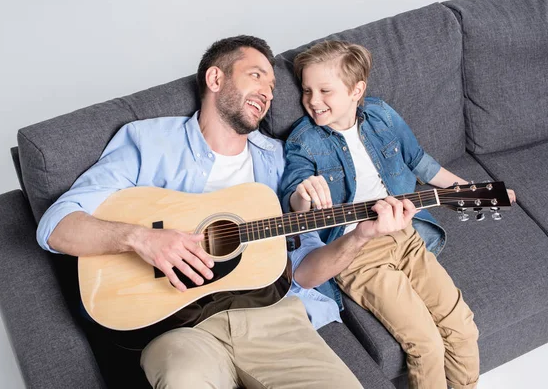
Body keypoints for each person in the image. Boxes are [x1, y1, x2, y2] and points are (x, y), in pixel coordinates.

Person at [36, 35, 386, 389]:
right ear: (215, 79)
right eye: (255, 75)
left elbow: (305, 273)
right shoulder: (149, 142)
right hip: (178, 329)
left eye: (272, 85)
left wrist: (360, 236)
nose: (267, 91)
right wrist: (141, 239)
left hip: (274, 318)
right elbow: (56, 226)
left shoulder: (284, 160)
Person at [280, 40, 515, 389]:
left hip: (406, 233)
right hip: (357, 254)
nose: (313, 101)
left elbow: (421, 163)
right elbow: (293, 199)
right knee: (426, 343)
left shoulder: (381, 115)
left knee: (463, 326)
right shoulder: (303, 140)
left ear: (356, 90)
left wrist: (472, 191)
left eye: (325, 90)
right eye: (307, 90)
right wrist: (304, 195)